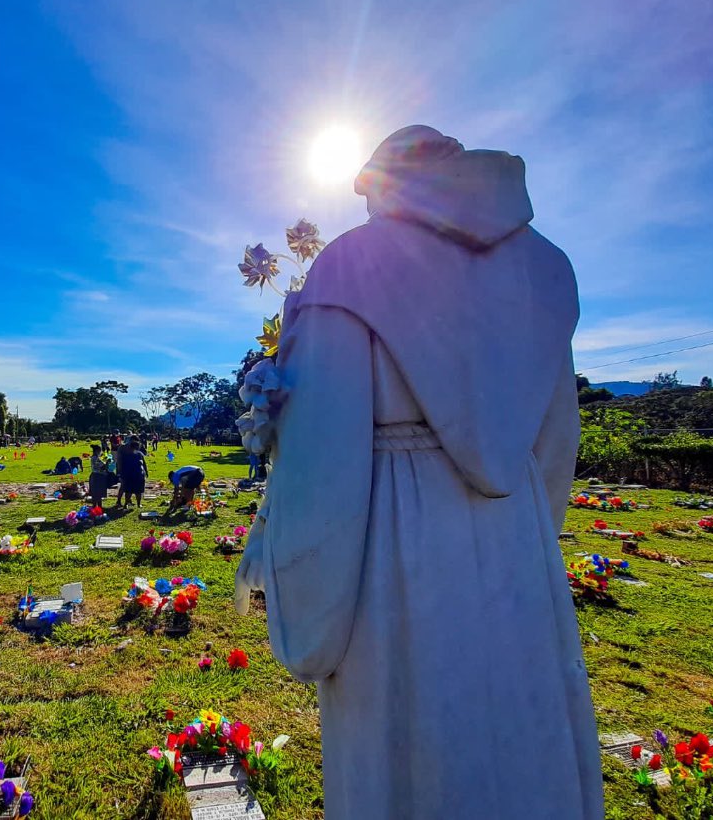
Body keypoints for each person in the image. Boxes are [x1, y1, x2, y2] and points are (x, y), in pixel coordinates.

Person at [234, 126, 601, 818]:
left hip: (395, 535)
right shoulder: (545, 268)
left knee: (409, 743)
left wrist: (306, 611)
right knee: (521, 726)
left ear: (382, 184)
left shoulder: (353, 262)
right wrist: (527, 534)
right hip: (517, 535)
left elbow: (325, 457)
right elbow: (557, 439)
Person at [118, 435, 148, 509]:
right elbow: (121, 463)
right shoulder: (125, 452)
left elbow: (143, 462)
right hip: (130, 475)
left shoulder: (139, 454)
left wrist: (145, 471)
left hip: (138, 475)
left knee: (137, 491)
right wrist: (120, 473)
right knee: (129, 490)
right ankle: (125, 503)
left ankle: (137, 504)